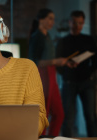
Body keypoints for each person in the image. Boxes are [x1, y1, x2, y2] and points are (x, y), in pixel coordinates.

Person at [56, 10, 97, 137]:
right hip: (69, 82)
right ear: (70, 22)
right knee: (68, 117)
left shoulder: (88, 40)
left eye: (80, 23)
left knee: (90, 116)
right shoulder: (63, 41)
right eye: (74, 22)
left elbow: (96, 62)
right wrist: (66, 72)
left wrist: (88, 72)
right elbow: (57, 62)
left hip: (86, 82)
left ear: (83, 23)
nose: (77, 26)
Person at [28, 8, 66, 136]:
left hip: (51, 74)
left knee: (59, 113)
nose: (52, 22)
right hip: (42, 75)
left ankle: (51, 137)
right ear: (41, 19)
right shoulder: (37, 37)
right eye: (49, 18)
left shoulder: (47, 36)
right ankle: (42, 137)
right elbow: (35, 62)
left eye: (53, 19)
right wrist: (55, 61)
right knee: (44, 111)